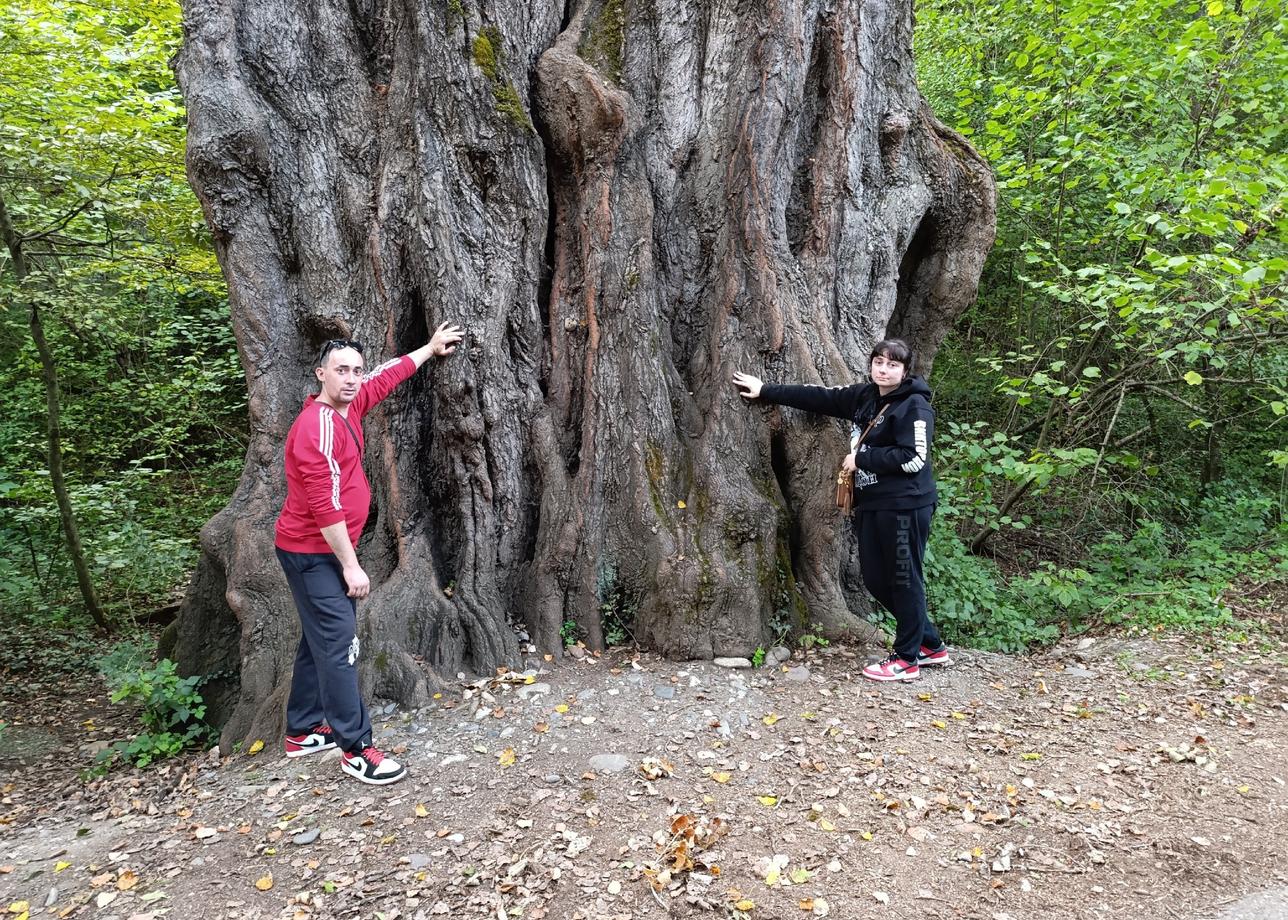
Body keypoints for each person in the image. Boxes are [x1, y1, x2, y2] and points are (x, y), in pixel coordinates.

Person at [274, 322, 463, 783]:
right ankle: (357, 748)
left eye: (355, 369)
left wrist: (429, 349)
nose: (352, 378)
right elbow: (324, 505)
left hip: (319, 551)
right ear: (321, 374)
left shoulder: (350, 406)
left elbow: (387, 376)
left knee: (320, 636)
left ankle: (301, 729)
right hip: (312, 552)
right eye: (341, 370)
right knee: (341, 644)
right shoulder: (316, 426)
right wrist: (351, 564)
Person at [732, 338, 952, 682]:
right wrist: (767, 390)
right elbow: (820, 397)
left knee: (904, 578)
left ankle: (907, 659)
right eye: (879, 361)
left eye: (893, 365)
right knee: (877, 581)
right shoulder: (864, 397)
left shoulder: (914, 406)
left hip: (907, 504)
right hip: (874, 503)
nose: (884, 369)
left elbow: (914, 459)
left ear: (905, 371)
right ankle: (931, 645)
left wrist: (861, 458)